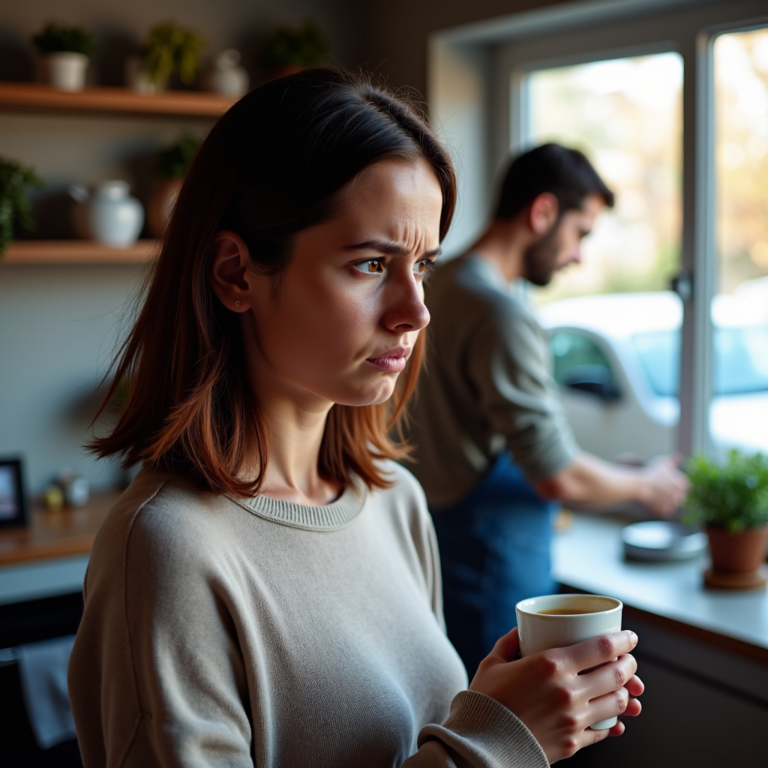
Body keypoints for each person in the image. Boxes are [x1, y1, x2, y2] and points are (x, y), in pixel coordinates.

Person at [67, 73, 643, 767]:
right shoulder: (165, 550)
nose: (416, 310)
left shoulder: (394, 501)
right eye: (371, 263)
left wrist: (492, 709)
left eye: (422, 265)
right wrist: (492, 745)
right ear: (235, 274)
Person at [405, 143, 689, 677]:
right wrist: (647, 486)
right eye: (580, 232)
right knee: (513, 734)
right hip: (493, 567)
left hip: (441, 547)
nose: (578, 255)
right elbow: (557, 476)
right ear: (543, 213)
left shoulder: (435, 285)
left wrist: (614, 476)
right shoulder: (502, 314)